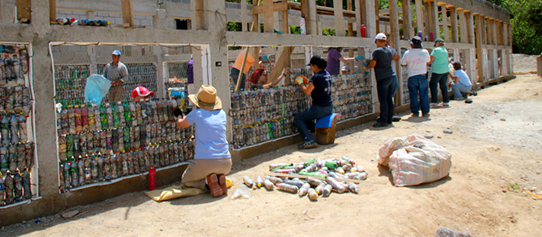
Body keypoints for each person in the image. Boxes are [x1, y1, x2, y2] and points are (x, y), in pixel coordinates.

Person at [175, 85, 231, 197]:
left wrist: (179, 115)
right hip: (226, 163)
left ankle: (207, 181)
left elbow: (181, 124)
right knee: (214, 169)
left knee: (186, 180)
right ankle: (220, 179)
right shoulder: (222, 114)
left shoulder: (197, 113)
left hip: (206, 161)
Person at [294, 56, 333, 149]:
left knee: (298, 119)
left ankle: (309, 140)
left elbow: (307, 91)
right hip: (329, 106)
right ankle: (316, 132)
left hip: (320, 107)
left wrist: (301, 83)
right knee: (306, 118)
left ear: (315, 66)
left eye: (311, 66)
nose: (311, 68)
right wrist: (309, 82)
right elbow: (318, 86)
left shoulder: (317, 76)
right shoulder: (326, 74)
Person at [367, 33, 398, 127]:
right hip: (391, 77)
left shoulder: (377, 51)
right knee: (389, 99)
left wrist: (367, 65)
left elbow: (373, 64)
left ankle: (383, 120)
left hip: (383, 78)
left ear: (377, 41)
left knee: (383, 100)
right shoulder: (389, 51)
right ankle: (389, 118)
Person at [400, 36, 431, 117]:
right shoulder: (425, 52)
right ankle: (425, 111)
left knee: (413, 95)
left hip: (412, 76)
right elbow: (428, 61)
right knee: (424, 94)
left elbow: (402, 63)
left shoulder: (408, 53)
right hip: (422, 75)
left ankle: (415, 112)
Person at [428, 38, 450, 108]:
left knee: (433, 85)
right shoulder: (445, 50)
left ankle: (434, 101)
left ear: (437, 43)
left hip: (437, 70)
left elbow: (431, 60)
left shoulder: (436, 50)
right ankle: (446, 101)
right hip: (445, 70)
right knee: (443, 85)